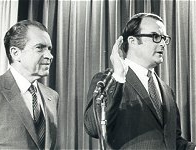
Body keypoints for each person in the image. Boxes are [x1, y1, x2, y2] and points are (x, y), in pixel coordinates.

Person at [84, 13, 196, 150]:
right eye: (155, 37)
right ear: (132, 41)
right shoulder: (108, 81)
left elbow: (173, 141)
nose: (162, 43)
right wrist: (119, 77)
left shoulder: (167, 91)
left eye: (164, 38)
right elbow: (93, 127)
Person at [0, 20, 59, 149]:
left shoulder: (52, 96)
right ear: (15, 53)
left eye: (49, 49)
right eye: (39, 48)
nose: (49, 56)